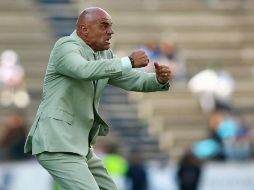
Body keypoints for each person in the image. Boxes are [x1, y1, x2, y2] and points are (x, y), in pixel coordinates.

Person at [24, 7, 172, 190]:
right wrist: (129, 61)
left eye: (110, 26)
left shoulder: (103, 54)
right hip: (56, 143)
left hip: (80, 146)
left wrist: (157, 80)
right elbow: (83, 70)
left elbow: (132, 80)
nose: (111, 32)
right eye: (104, 26)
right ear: (84, 30)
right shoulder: (65, 46)